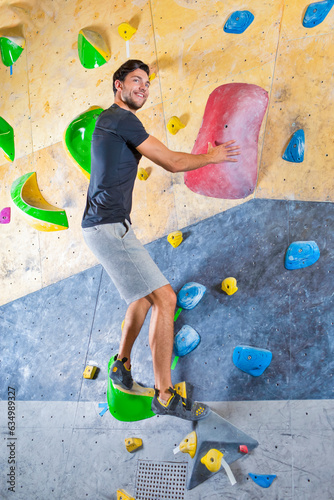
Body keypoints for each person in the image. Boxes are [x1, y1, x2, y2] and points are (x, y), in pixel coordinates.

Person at [82, 60, 240, 421]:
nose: (144, 87)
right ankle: (165, 395)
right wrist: (213, 156)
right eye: (136, 81)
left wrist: (149, 70)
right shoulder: (122, 119)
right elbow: (170, 161)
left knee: (141, 298)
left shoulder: (111, 121)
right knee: (165, 299)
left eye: (147, 82)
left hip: (105, 226)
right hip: (108, 227)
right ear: (117, 85)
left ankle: (121, 364)